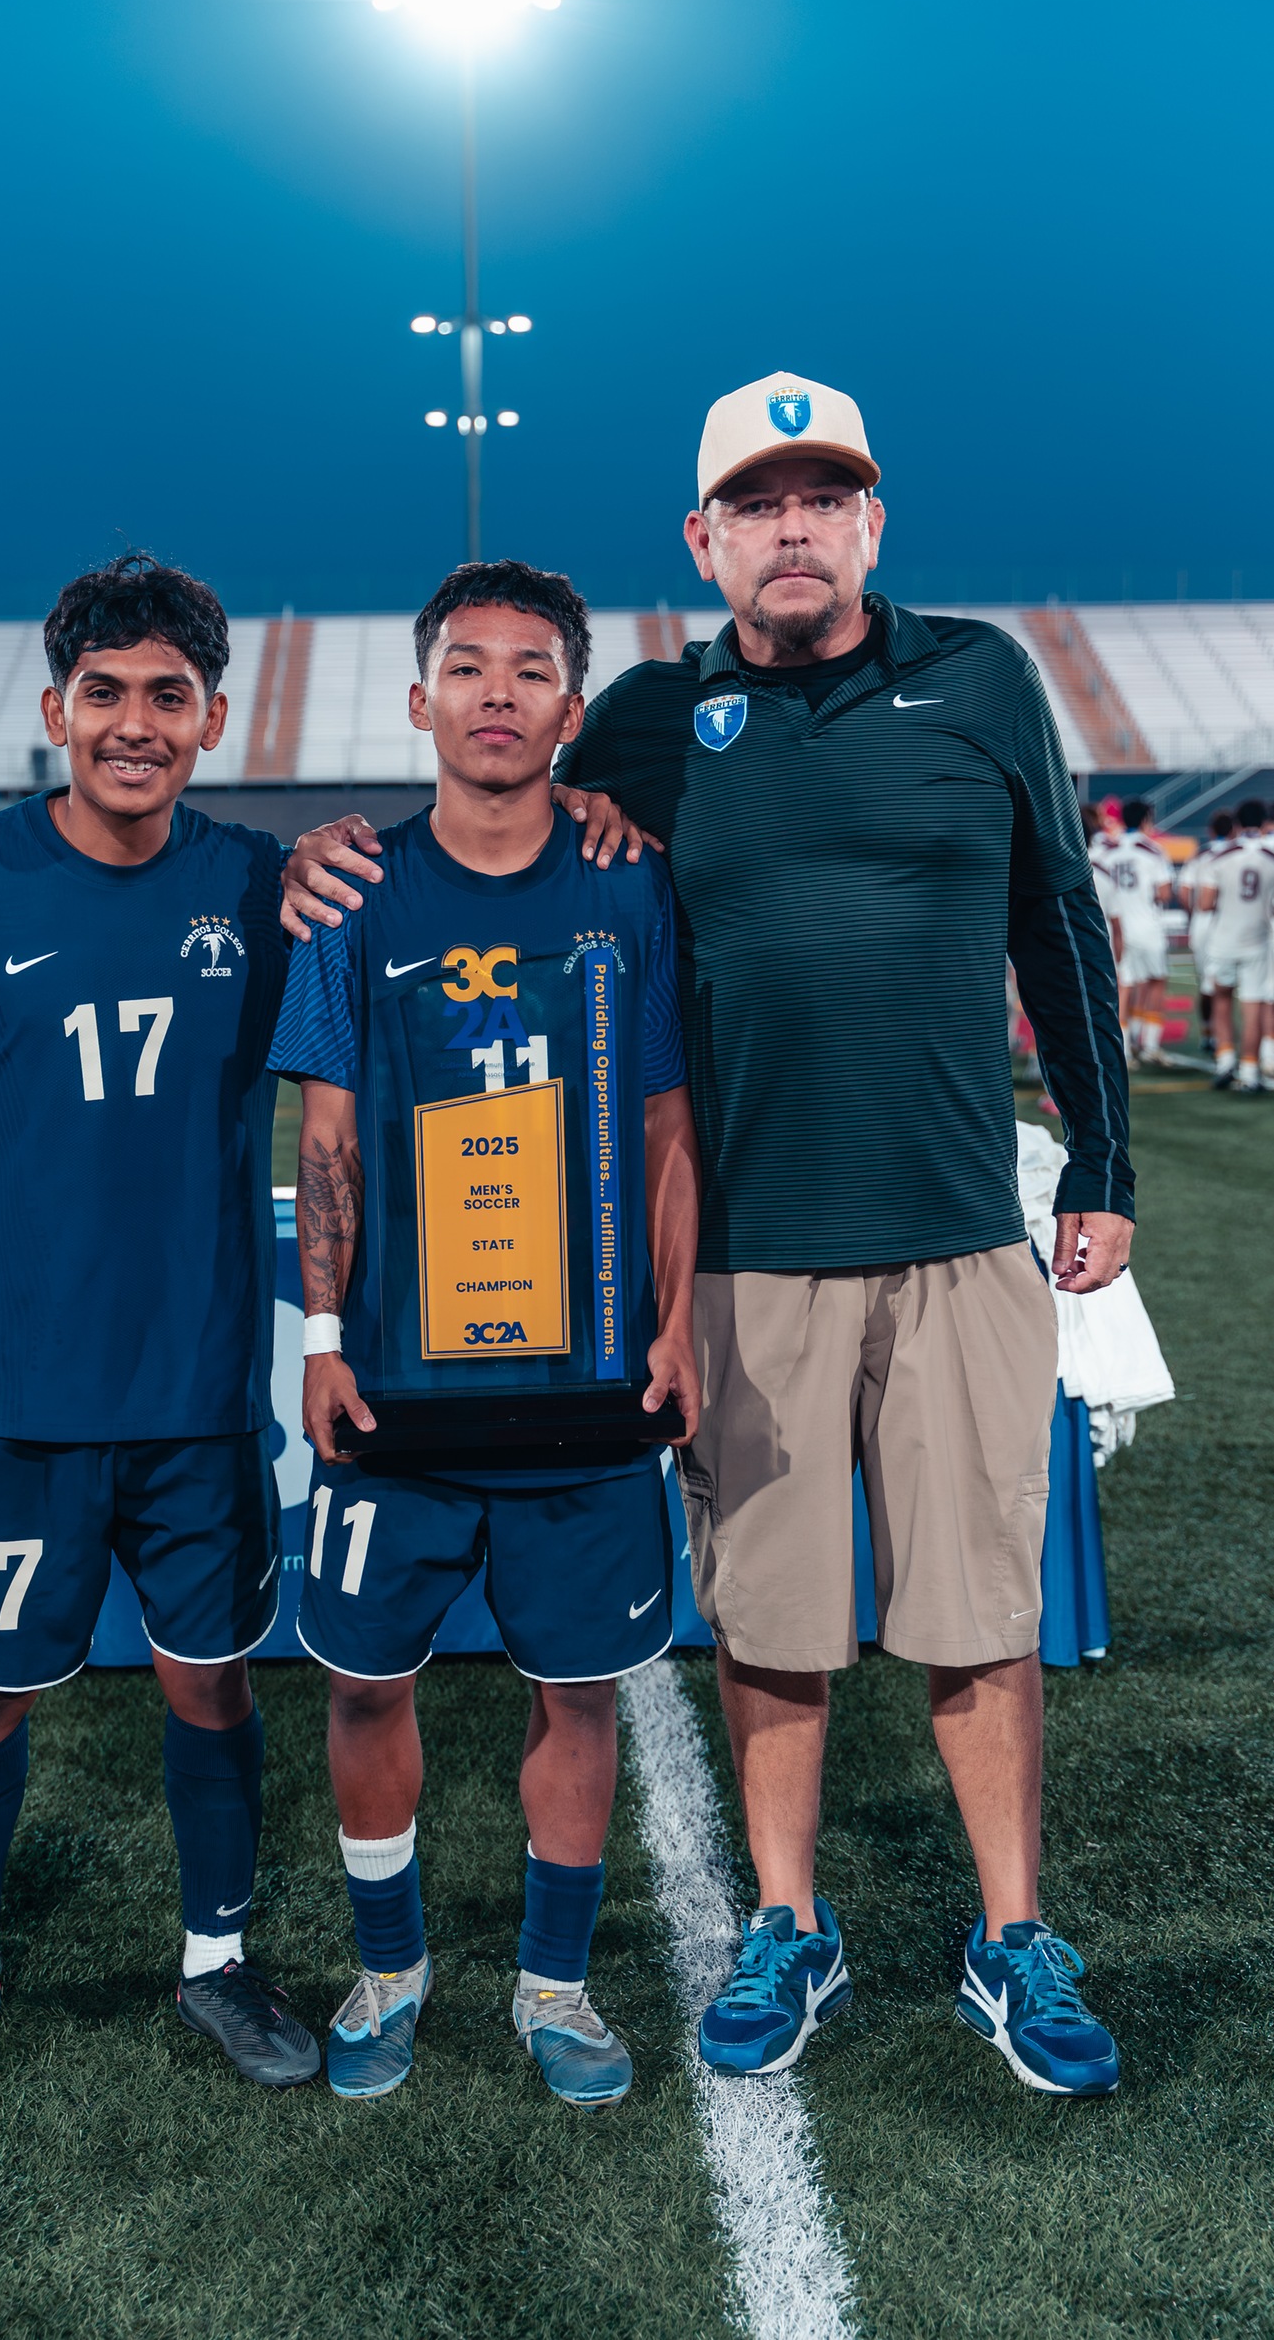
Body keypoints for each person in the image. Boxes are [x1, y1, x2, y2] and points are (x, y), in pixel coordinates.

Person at [283, 373, 1133, 2101]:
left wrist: (1102, 1157)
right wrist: (302, 858)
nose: (791, 527)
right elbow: (495, 809)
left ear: (870, 522)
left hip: (957, 1230)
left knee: (979, 1613)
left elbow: (1054, 915)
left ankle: (1012, 1930)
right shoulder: (653, 719)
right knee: (773, 1617)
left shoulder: (982, 676)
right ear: (705, 539)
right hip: (746, 1251)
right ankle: (785, 1917)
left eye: (822, 498)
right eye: (758, 503)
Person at [0, 554, 320, 2100]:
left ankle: (217, 1960)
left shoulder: (255, 884)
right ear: (56, 709)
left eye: (167, 696)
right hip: (8, 1384)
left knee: (211, 1679)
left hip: (195, 1387)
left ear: (212, 720)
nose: (135, 723)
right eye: (104, 692)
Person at [267, 560, 701, 2108]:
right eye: (467, 666)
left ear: (570, 710)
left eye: (530, 671)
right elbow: (327, 1134)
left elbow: (665, 1123)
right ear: (419, 699)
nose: (497, 693)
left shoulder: (630, 885)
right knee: (362, 1683)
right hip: (399, 1381)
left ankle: (554, 1983)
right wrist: (322, 1333)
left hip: (587, 1382)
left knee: (576, 1690)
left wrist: (676, 1323)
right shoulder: (351, 893)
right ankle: (390, 1970)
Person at [1196, 798, 1274, 1093]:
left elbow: (1205, 904)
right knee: (1253, 1006)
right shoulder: (1270, 856)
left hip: (1223, 941)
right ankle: (1250, 1072)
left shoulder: (1219, 856)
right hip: (1257, 941)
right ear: (1264, 823)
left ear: (1236, 824)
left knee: (1222, 1000)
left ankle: (1225, 1061)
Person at [1102, 799, 1174, 1063]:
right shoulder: (1153, 850)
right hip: (1146, 926)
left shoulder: (1106, 849)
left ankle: (1123, 1047)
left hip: (1115, 927)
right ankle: (1149, 1044)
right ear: (1146, 820)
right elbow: (1164, 893)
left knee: (1123, 985)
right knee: (1156, 980)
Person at [1183, 810, 1237, 1057]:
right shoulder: (1238, 853)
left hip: (1203, 923)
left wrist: (1194, 917)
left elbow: (1185, 891)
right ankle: (1226, 1037)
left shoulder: (1200, 855)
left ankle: (1208, 1032)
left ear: (1211, 831)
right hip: (1231, 921)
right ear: (1234, 830)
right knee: (1233, 985)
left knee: (1207, 982)